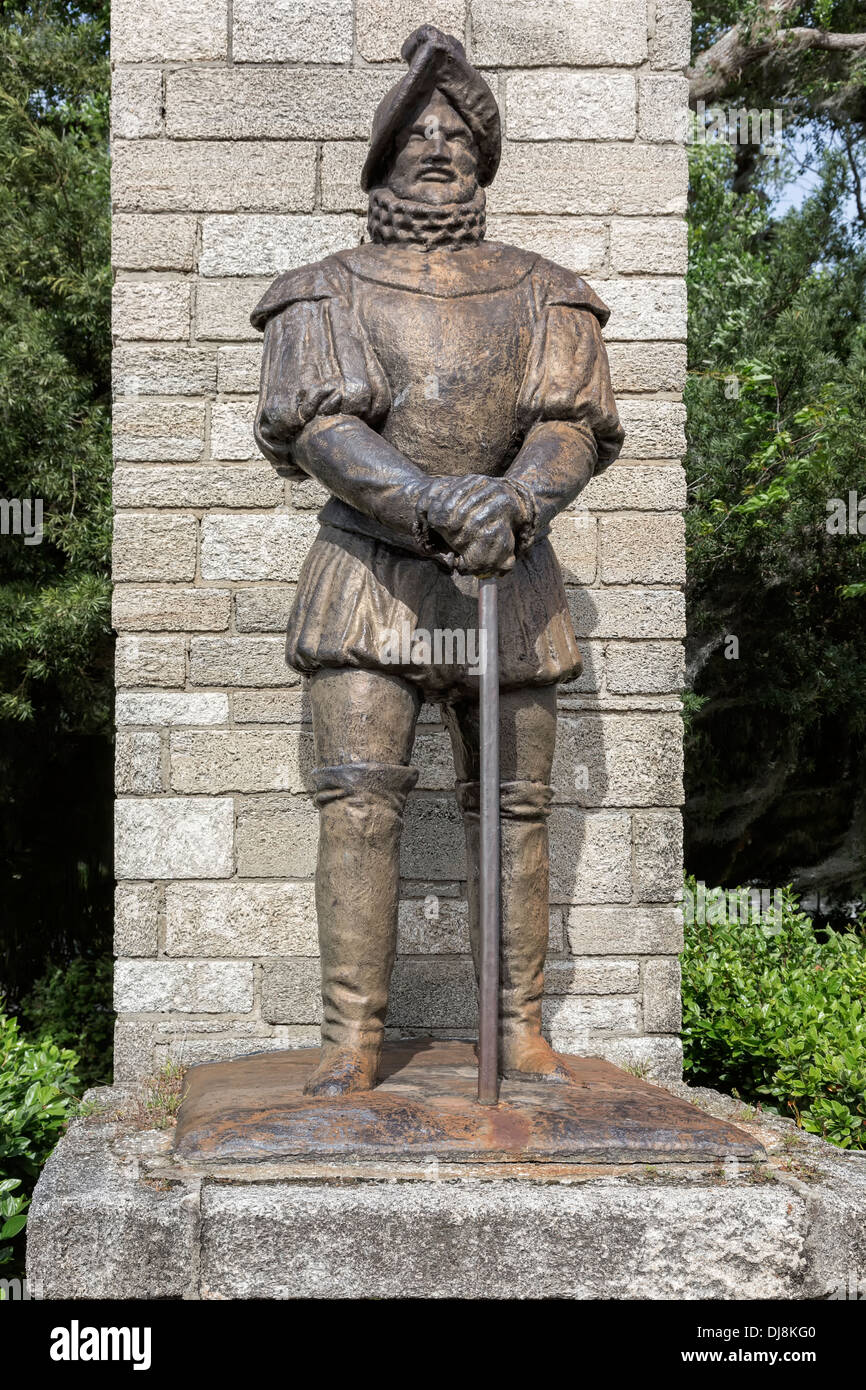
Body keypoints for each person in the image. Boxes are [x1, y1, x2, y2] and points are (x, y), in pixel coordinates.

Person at [252, 26, 624, 1096]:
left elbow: (571, 424)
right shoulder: (321, 290)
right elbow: (322, 426)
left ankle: (516, 1029)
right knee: (359, 801)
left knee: (512, 807)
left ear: (481, 159)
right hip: (371, 572)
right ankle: (350, 1042)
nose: (437, 147)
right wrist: (423, 502)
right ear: (381, 160)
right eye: (415, 133)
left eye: (457, 135)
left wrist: (516, 497)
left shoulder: (547, 291)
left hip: (508, 572)